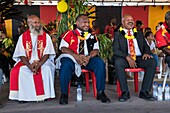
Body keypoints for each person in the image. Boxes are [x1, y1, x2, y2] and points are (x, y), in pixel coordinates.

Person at [56, 14, 110, 105]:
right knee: (65, 65)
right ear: (77, 23)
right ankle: (64, 94)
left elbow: (96, 50)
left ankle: (101, 92)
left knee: (100, 63)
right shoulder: (69, 33)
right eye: (84, 22)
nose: (87, 24)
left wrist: (88, 57)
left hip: (87, 59)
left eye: (88, 22)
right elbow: (63, 48)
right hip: (72, 58)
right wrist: (76, 56)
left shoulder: (92, 35)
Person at [9, 15, 56, 102]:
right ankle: (24, 97)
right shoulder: (22, 37)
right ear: (29, 24)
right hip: (27, 61)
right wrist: (29, 66)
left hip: (42, 61)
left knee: (46, 69)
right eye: (35, 22)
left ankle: (44, 95)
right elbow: (21, 55)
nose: (38, 24)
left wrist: (39, 64)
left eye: (38, 22)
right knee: (21, 70)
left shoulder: (46, 37)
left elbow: (47, 54)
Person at [113, 14, 156, 102]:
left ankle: (145, 91)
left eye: (132, 20)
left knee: (152, 62)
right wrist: (127, 57)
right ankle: (125, 92)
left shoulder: (139, 33)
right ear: (123, 23)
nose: (130, 21)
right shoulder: (118, 34)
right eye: (127, 20)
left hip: (139, 58)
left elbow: (146, 46)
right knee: (118, 62)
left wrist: (146, 53)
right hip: (125, 58)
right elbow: (116, 50)